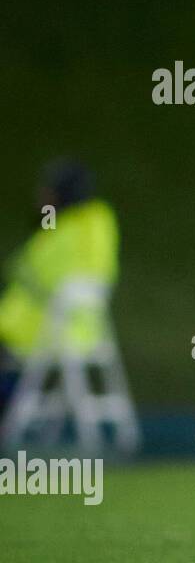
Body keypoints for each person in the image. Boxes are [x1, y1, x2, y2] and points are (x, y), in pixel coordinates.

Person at [0, 160, 119, 417]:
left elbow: (24, 268)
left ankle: (9, 409)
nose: (42, 195)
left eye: (48, 189)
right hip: (86, 329)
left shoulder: (64, 228)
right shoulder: (99, 221)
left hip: (45, 329)